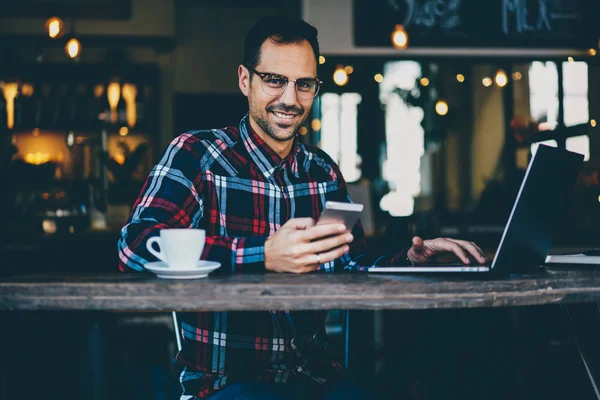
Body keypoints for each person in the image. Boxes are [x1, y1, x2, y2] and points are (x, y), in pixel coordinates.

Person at [117, 16, 486, 400]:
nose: (290, 99)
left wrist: (412, 260)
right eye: (274, 80)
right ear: (245, 80)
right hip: (226, 384)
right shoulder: (196, 154)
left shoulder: (322, 171)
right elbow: (134, 247)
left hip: (315, 380)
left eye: (304, 84)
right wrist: (264, 254)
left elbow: (348, 265)